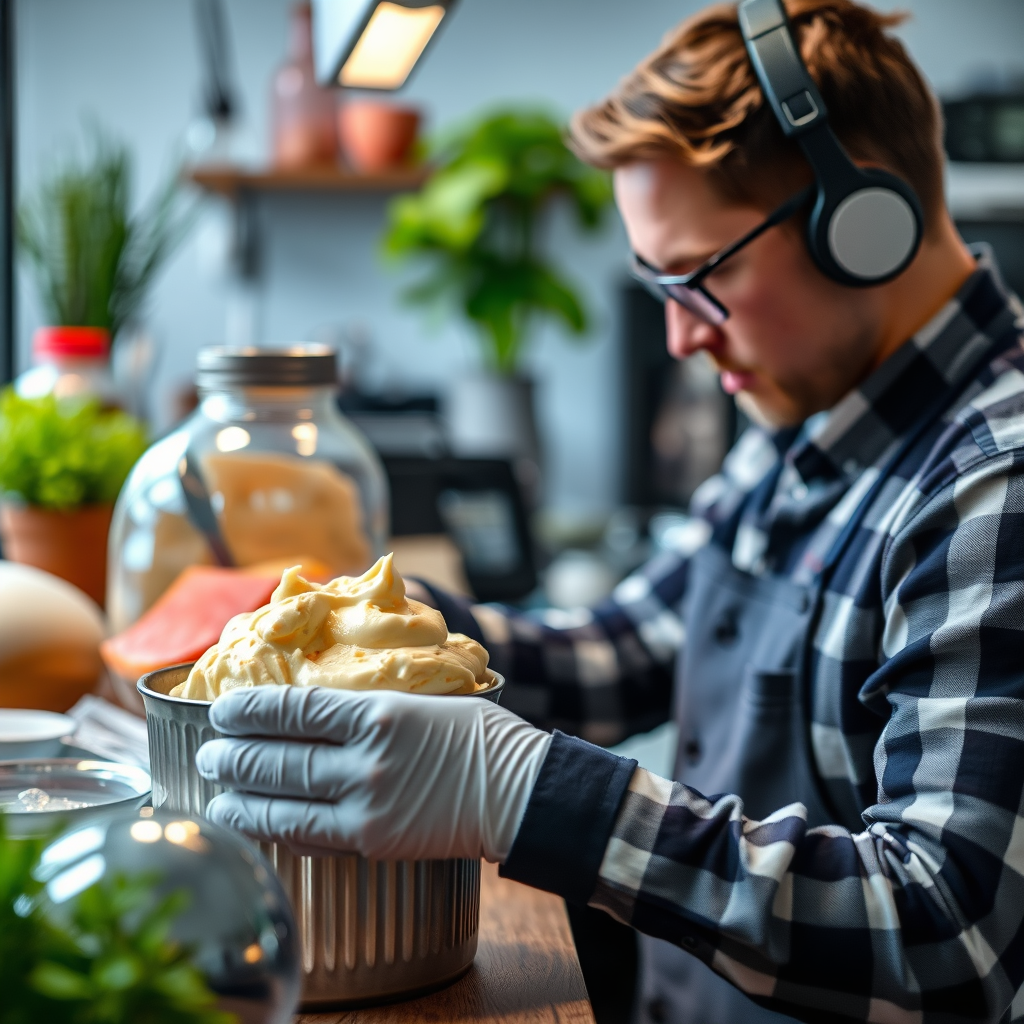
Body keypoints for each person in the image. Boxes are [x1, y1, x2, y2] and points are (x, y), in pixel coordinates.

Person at [195, 1, 1024, 1021]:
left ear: (862, 225)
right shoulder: (808, 421)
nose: (680, 338)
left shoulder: (994, 483)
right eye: (658, 286)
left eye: (704, 276)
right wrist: (378, 630)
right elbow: (626, 651)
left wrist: (528, 794)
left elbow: (948, 933)